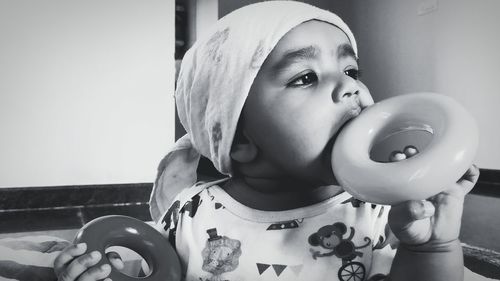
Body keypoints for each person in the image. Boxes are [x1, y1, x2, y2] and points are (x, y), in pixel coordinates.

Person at [53, 1, 479, 281]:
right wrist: (96, 270)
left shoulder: (383, 213)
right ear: (241, 140)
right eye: (306, 77)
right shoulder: (191, 213)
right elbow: (155, 269)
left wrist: (433, 246)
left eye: (351, 71)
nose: (349, 89)